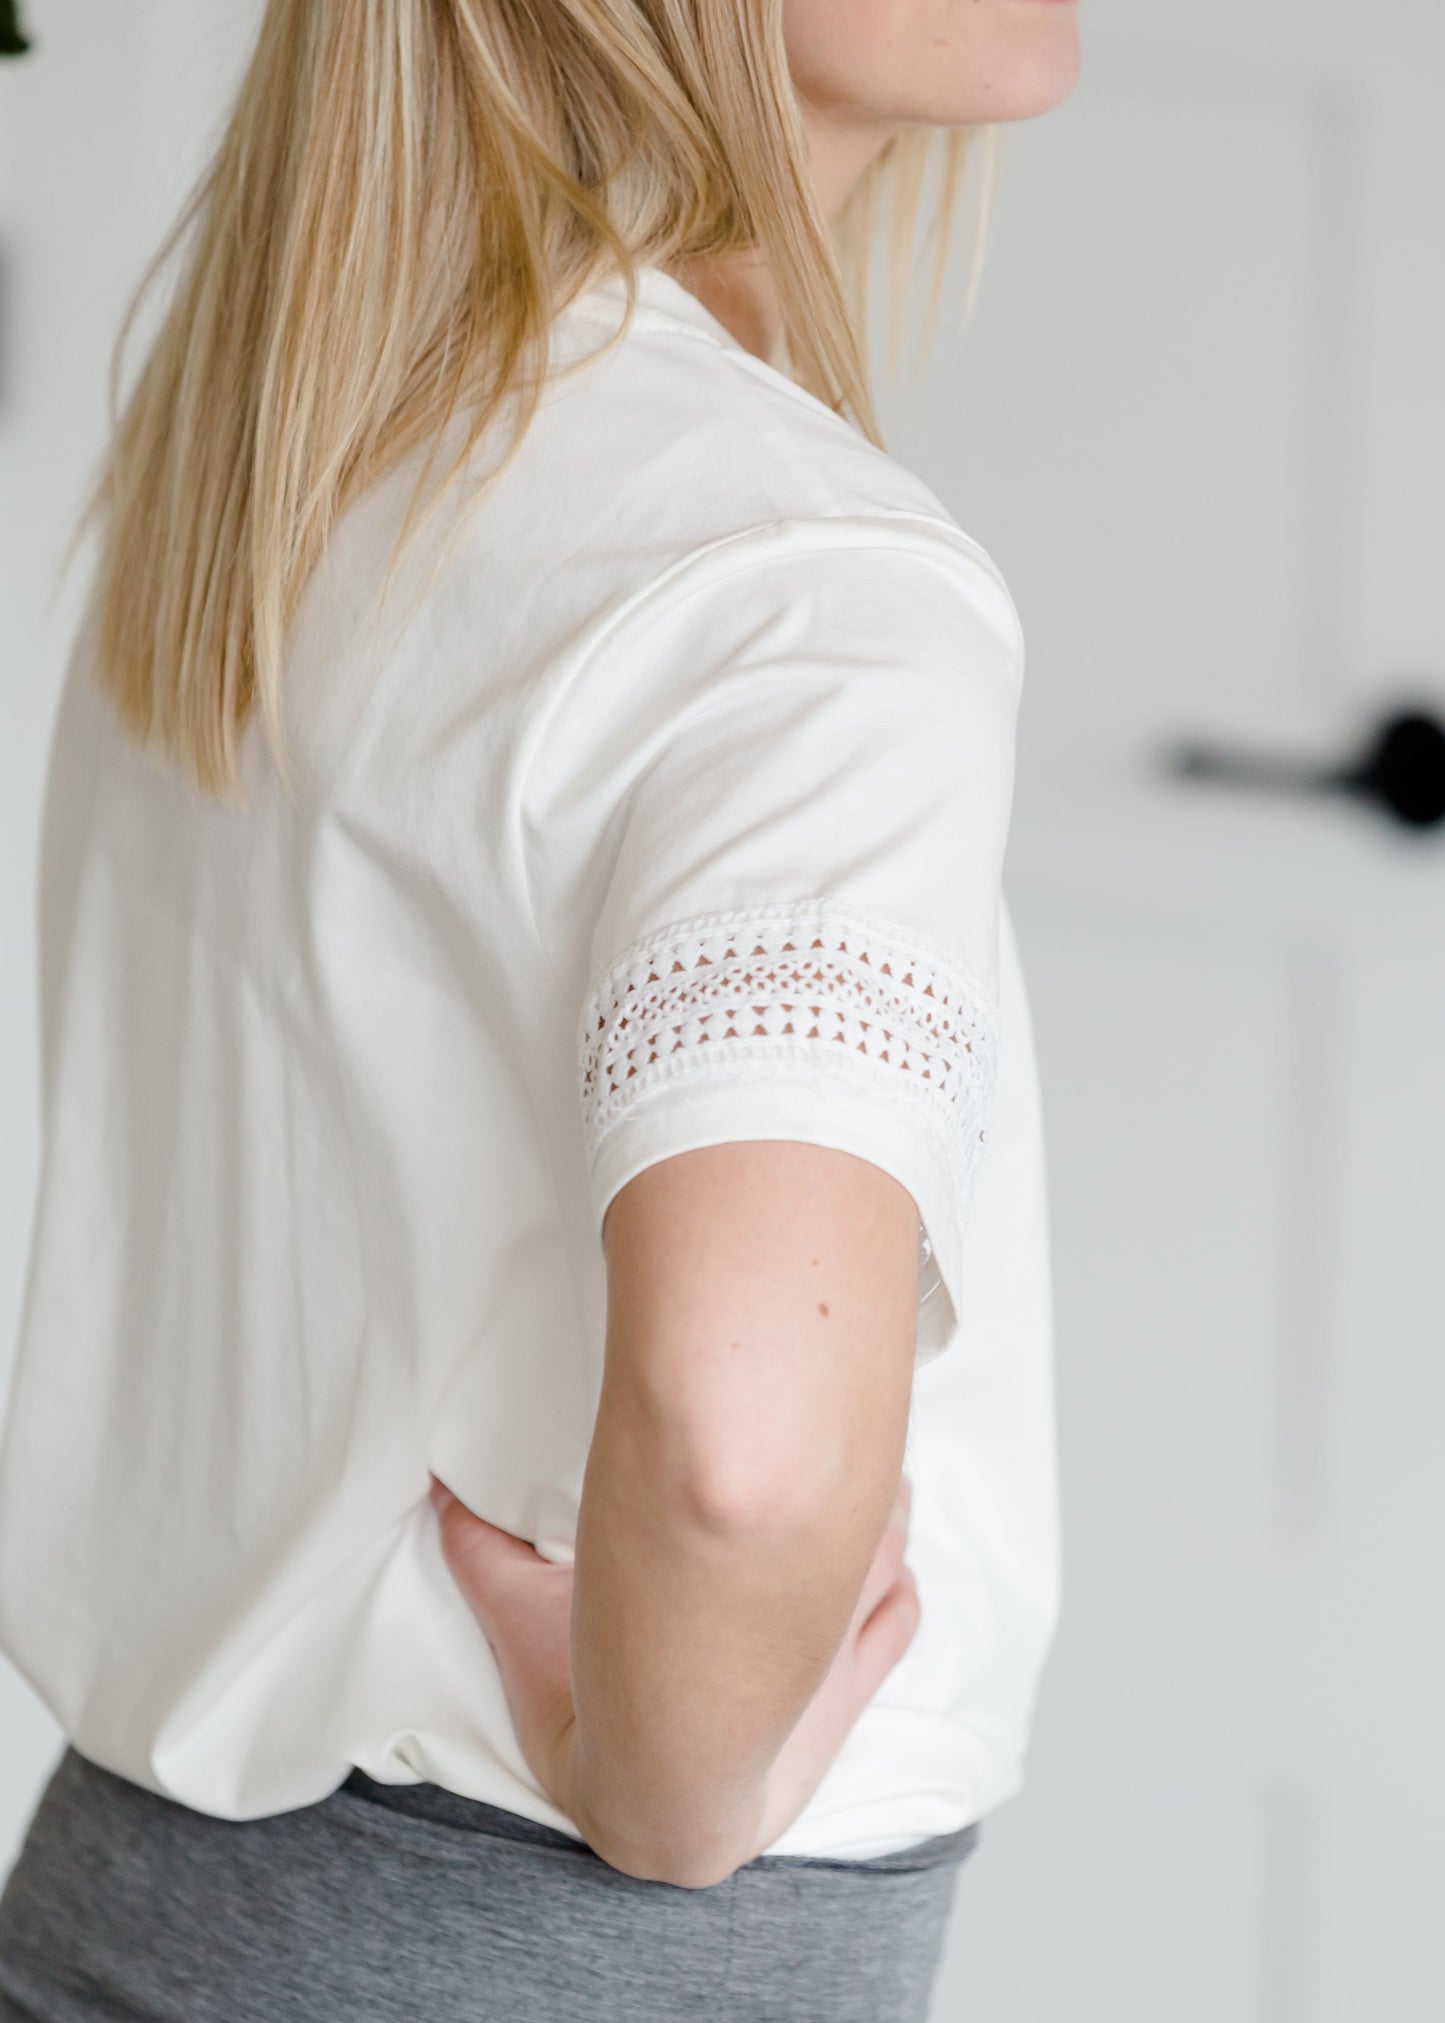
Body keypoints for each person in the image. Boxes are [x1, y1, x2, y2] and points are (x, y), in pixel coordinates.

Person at [0, 2, 1079, 2016]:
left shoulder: (287, 439)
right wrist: (662, 1793)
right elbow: (738, 1451)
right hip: (570, 1927)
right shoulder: (802, 584)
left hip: (128, 1888)